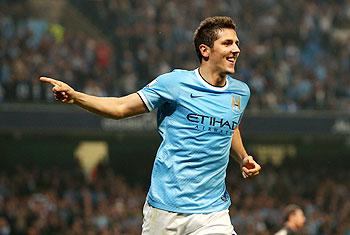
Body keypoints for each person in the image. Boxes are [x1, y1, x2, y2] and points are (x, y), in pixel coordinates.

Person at [40, 16, 261, 235]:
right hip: (165, 210)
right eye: (227, 43)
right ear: (205, 50)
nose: (236, 49)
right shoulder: (175, 84)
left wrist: (243, 157)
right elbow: (121, 107)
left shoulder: (240, 92)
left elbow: (230, 127)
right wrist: (75, 97)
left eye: (237, 43)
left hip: (213, 212)